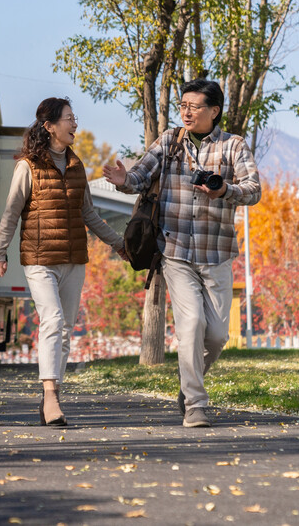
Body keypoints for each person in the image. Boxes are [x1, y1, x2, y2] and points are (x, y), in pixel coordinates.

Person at [102, 79, 261, 428]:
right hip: (174, 250)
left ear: (214, 111)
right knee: (190, 325)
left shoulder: (233, 146)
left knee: (217, 335)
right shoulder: (170, 140)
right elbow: (140, 177)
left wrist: (225, 190)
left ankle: (190, 384)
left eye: (195, 106)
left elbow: (253, 191)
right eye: (183, 105)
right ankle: (196, 404)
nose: (187, 112)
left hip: (216, 251)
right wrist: (122, 179)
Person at [0, 97, 127, 426]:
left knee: (64, 330)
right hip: (39, 259)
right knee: (51, 321)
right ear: (50, 126)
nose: (75, 124)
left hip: (74, 258)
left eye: (74, 118)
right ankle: (50, 396)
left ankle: (54, 392)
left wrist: (119, 244)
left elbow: (88, 214)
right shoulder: (28, 166)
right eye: (68, 118)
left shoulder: (77, 166)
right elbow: (11, 213)